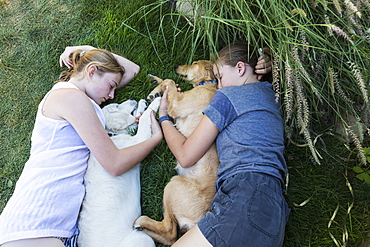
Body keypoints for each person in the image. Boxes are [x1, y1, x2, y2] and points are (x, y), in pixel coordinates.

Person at [0, 45, 163, 247]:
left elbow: (132, 70)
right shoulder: (70, 98)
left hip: (59, 228)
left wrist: (86, 50)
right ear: (92, 71)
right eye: (111, 85)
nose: (112, 95)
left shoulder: (80, 99)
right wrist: (154, 139)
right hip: (35, 218)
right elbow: (115, 163)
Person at [158, 42, 289, 246]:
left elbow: (185, 156)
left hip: (244, 198)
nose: (217, 86)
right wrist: (269, 57)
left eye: (219, 77)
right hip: (275, 212)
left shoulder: (227, 96)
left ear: (240, 68)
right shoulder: (273, 96)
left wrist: (164, 117)